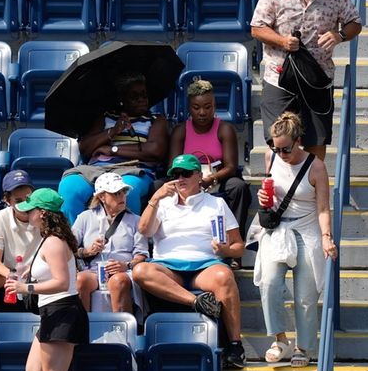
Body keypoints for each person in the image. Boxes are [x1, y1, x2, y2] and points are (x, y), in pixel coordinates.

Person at [133, 154, 246, 369]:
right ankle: (195, 302)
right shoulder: (162, 203)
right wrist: (155, 199)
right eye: (175, 174)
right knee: (140, 271)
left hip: (205, 266)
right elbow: (144, 230)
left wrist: (225, 250)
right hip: (168, 266)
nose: (179, 179)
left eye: (185, 173)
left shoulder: (217, 203)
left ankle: (235, 345)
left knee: (224, 276)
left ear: (198, 176)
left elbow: (239, 247)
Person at [251, 0, 362, 161]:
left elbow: (355, 23)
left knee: (316, 141)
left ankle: (313, 191)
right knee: (278, 141)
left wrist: (339, 35)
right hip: (279, 77)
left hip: (317, 78)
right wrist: (282, 41)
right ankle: (280, 191)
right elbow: (257, 28)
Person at [251, 112, 338, 367]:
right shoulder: (271, 157)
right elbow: (269, 191)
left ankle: (304, 346)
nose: (280, 154)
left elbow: (323, 208)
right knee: (268, 283)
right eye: (274, 147)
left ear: (298, 140)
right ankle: (280, 339)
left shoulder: (316, 165)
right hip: (278, 229)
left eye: (285, 149)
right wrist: (263, 200)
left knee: (305, 295)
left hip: (307, 229)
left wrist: (326, 237)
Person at [58, 72, 168, 224]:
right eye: (134, 96)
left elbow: (155, 150)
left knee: (128, 190)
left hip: (132, 169)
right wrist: (112, 131)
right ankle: (72, 242)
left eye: (144, 95)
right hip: (97, 168)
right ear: (122, 99)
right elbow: (85, 148)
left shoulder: (156, 119)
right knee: (70, 186)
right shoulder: (105, 117)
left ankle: (127, 240)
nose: (142, 100)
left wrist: (112, 149)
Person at [4, 188, 88, 371]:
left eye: (31, 209)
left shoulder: (53, 242)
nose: (27, 213)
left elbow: (62, 283)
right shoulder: (49, 239)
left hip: (63, 312)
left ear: (42, 213)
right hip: (52, 312)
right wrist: (29, 272)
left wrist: (25, 288)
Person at [169, 79, 252, 265]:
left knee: (238, 187)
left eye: (208, 107)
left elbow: (231, 166)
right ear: (189, 107)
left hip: (216, 178)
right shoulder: (180, 131)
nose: (202, 112)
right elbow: (172, 166)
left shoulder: (224, 129)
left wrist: (210, 179)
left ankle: (233, 252)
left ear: (215, 106)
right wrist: (189, 180)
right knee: (158, 186)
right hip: (186, 178)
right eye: (196, 107)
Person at [73, 172, 148, 313]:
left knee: (118, 281)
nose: (122, 197)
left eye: (123, 192)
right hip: (93, 271)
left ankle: (121, 331)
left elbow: (142, 255)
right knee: (80, 280)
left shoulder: (136, 220)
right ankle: (81, 329)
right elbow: (68, 248)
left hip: (125, 271)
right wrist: (87, 251)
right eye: (116, 193)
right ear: (102, 197)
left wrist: (126, 265)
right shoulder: (85, 217)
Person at [0, 169, 41, 320]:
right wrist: (10, 275)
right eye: (19, 201)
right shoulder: (0, 217)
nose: (25, 204)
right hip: (12, 273)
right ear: (8, 201)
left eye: (28, 198)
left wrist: (34, 270)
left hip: (41, 273)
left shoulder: (44, 213)